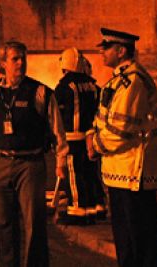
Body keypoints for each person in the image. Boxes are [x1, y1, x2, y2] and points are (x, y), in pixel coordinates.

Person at [0, 41, 67, 267]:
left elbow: (57, 130)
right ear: (3, 63)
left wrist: (61, 160)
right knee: (2, 222)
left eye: (23, 58)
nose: (21, 63)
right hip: (0, 162)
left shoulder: (39, 92)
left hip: (30, 164)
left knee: (34, 222)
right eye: (15, 59)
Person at [87, 28, 157, 267]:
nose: (102, 52)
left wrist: (95, 145)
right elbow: (102, 119)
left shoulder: (132, 83)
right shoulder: (120, 81)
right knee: (127, 238)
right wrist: (92, 133)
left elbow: (121, 130)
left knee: (136, 238)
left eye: (107, 48)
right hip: (121, 172)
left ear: (121, 51)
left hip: (133, 173)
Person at [54, 48, 106, 224]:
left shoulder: (64, 87)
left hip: (72, 138)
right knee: (91, 174)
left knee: (74, 175)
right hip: (91, 137)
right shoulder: (93, 86)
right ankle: (97, 207)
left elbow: (55, 112)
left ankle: (77, 210)